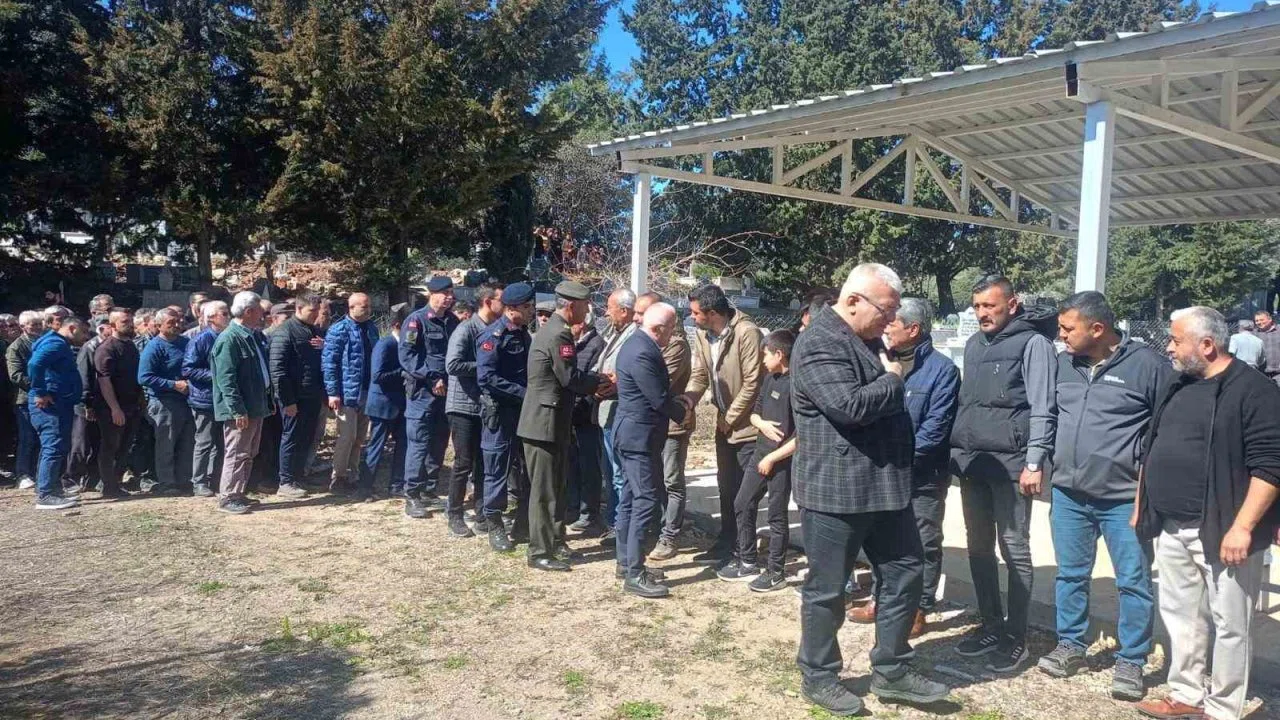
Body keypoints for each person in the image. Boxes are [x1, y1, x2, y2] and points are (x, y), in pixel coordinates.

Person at [792, 264, 948, 716]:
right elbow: (849, 407)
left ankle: (892, 669)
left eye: (896, 311)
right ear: (854, 301)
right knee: (827, 589)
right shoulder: (820, 342)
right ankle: (819, 675)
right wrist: (894, 378)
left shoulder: (868, 340)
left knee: (905, 573)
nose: (892, 319)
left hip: (886, 486)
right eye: (886, 309)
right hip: (836, 491)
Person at [1133, 307, 1280, 720]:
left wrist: (1243, 527)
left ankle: (1223, 709)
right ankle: (1185, 694)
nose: (1169, 347)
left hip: (1225, 528)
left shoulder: (1254, 390)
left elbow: (1270, 465)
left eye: (1176, 340)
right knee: (1181, 616)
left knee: (1231, 624)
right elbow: (1151, 443)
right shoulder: (1178, 383)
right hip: (1172, 524)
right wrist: (1142, 504)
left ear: (1208, 345)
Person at [1031, 292, 1171, 701]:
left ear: (1097, 328)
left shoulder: (1148, 366)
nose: (1060, 335)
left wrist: (1148, 484)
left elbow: (1166, 428)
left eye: (1067, 328)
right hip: (1069, 494)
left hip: (1124, 497)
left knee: (1133, 582)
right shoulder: (1064, 364)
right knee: (1070, 575)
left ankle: (1132, 659)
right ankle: (1070, 644)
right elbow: (1049, 415)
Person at [949, 275, 1057, 673]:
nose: (982, 313)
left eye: (989, 306)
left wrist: (1035, 462)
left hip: (1013, 466)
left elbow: (1043, 406)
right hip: (974, 463)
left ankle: (1017, 636)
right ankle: (990, 625)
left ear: (1012, 305)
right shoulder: (974, 344)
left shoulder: (1034, 344)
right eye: (977, 306)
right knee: (978, 546)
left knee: (1014, 547)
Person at [847, 298, 960, 638]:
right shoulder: (880, 361)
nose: (886, 328)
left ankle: (918, 608)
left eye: (892, 323)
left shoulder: (942, 370)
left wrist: (901, 459)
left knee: (923, 541)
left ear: (913, 329)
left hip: (923, 475)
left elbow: (935, 429)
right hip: (885, 472)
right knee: (883, 541)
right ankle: (881, 599)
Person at [518, 281, 609, 571]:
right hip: (543, 423)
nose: (588, 311)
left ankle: (555, 541)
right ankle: (539, 551)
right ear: (571, 305)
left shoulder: (556, 330)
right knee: (545, 491)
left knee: (557, 486)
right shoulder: (559, 334)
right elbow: (569, 378)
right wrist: (600, 381)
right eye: (585, 305)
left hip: (553, 421)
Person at [612, 303, 689, 597]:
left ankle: (626, 562)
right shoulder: (643, 351)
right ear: (658, 328)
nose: (673, 334)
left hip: (634, 435)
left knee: (630, 498)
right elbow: (657, 397)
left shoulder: (637, 343)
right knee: (644, 500)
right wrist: (683, 410)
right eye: (671, 329)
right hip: (638, 438)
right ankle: (634, 573)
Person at [685, 283, 763, 563]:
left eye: (696, 313)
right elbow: (699, 374)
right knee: (726, 486)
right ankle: (727, 541)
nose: (692, 317)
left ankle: (745, 550)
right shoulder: (702, 335)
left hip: (747, 427)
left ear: (713, 313)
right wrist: (688, 400)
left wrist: (731, 417)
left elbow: (753, 382)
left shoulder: (747, 332)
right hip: (723, 425)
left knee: (744, 492)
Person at [717, 328, 796, 592]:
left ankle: (776, 572)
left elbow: (801, 437)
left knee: (776, 515)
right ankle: (747, 560)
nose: (762, 360)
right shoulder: (769, 378)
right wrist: (761, 424)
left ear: (779, 354)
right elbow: (754, 413)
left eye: (765, 355)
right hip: (760, 454)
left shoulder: (796, 385)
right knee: (742, 502)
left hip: (780, 461)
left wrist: (773, 457)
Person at [476, 283, 535, 549]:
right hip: (500, 413)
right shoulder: (493, 336)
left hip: (523, 412)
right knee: (497, 469)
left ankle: (522, 522)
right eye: (527, 307)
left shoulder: (523, 334)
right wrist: (523, 393)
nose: (531, 311)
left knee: (525, 468)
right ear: (511, 309)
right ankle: (494, 523)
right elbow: (486, 378)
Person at [445, 283, 504, 529]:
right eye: (502, 300)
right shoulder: (466, 328)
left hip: (485, 406)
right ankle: (455, 515)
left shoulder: (497, 329)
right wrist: (485, 366)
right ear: (488, 302)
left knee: (483, 463)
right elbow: (453, 365)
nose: (506, 305)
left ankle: (482, 515)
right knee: (464, 462)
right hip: (463, 406)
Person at [400, 276, 458, 517]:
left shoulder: (452, 321)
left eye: (451, 293)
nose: (449, 298)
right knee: (419, 443)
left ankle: (429, 490)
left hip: (446, 393)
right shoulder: (416, 321)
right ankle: (412, 494)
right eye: (445, 293)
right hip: (422, 393)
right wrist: (432, 377)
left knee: (439, 442)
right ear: (432, 294)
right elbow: (408, 356)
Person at [211, 292, 274, 514]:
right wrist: (237, 410)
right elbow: (226, 379)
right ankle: (228, 497)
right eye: (260, 312)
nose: (263, 316)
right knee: (237, 452)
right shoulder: (230, 339)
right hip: (241, 409)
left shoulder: (251, 335)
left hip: (255, 406)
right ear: (248, 312)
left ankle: (239, 493)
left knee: (248, 452)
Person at [28, 316, 88, 510]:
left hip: (58, 403)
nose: (85, 337)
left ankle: (49, 488)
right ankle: (46, 495)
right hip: (50, 405)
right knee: (52, 447)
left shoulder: (56, 342)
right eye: (83, 332)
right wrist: (40, 392)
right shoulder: (56, 344)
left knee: (54, 446)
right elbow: (35, 365)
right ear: (72, 328)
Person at [269, 292, 325, 499]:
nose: (316, 314)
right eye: (312, 311)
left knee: (306, 438)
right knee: (291, 438)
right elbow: (277, 370)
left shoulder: (314, 331)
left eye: (318, 310)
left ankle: (298, 476)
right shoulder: (285, 332)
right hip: (294, 397)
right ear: (299, 309)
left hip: (311, 395)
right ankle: (286, 481)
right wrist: (287, 400)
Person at [323, 292, 380, 494]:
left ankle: (353, 474)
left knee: (359, 438)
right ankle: (338, 477)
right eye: (364, 307)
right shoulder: (339, 330)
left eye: (369, 306)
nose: (368, 310)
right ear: (351, 308)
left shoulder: (372, 328)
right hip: (347, 393)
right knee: (347, 436)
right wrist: (333, 392)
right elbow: (329, 363)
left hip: (367, 391)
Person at [593, 288, 636, 541]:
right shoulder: (615, 333)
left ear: (624, 310)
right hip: (606, 413)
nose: (606, 313)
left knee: (619, 473)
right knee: (610, 472)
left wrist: (615, 384)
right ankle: (613, 520)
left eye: (610, 308)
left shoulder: (633, 336)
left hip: (618, 412)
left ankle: (620, 525)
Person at [139, 308, 194, 495]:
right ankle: (166, 483)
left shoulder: (185, 342)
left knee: (187, 443)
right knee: (166, 445)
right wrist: (172, 384)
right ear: (158, 325)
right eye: (171, 322)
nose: (176, 325)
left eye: (178, 321)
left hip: (186, 401)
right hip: (164, 402)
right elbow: (144, 377)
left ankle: (184, 480)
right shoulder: (155, 347)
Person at [358, 303, 410, 502]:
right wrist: (403, 372)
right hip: (383, 405)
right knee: (376, 447)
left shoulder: (405, 344)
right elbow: (377, 375)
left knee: (403, 445)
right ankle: (365, 487)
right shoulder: (385, 344)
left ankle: (397, 485)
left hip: (401, 405)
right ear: (397, 325)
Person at [94, 308, 143, 499]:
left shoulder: (130, 346)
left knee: (125, 447)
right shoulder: (106, 349)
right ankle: (108, 486)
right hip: (112, 408)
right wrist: (115, 408)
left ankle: (116, 482)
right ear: (113, 325)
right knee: (110, 447)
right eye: (124, 322)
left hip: (132, 406)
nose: (129, 325)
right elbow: (104, 380)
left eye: (130, 321)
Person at [183, 300, 230, 497]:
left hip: (223, 399)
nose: (228, 317)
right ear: (211, 318)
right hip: (205, 399)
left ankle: (216, 479)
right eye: (224, 314)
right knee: (204, 442)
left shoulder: (228, 337)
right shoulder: (201, 340)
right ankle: (199, 482)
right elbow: (188, 369)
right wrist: (217, 376)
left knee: (222, 443)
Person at [567, 308, 607, 534]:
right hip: (571, 415)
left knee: (589, 466)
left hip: (587, 416)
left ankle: (589, 513)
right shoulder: (570, 343)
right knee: (572, 464)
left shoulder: (597, 345)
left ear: (582, 323)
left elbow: (593, 380)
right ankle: (573, 507)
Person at [67, 315, 108, 491]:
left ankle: (92, 479)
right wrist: (86, 404)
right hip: (85, 404)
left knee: (98, 443)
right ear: (101, 329)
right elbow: (84, 377)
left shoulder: (110, 346)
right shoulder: (89, 347)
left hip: (102, 402)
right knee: (80, 444)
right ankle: (71, 479)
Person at [8, 310, 44, 490]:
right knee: (27, 437)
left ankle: (39, 473)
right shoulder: (16, 347)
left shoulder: (43, 342)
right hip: (24, 399)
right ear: (23, 326)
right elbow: (15, 375)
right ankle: (22, 474)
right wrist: (39, 386)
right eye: (33, 324)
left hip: (44, 398)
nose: (37, 327)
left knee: (41, 437)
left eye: (39, 324)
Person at [128, 308, 156, 490]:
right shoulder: (138, 345)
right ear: (146, 324)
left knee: (152, 439)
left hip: (156, 398)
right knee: (140, 439)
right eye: (155, 322)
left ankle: (150, 473)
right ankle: (138, 474)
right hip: (141, 398)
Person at [1253, 309, 1280, 384]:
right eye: (1257, 320)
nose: (1259, 322)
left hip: (1278, 373)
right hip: (1261, 374)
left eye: (1262, 320)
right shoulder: (1254, 334)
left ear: (1270, 319)